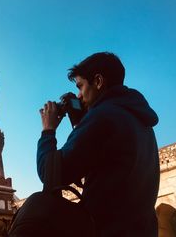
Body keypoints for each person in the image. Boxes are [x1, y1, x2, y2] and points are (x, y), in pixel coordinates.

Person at [37, 52, 160, 237]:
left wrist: (48, 131)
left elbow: (49, 172)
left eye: (81, 86)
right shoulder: (139, 119)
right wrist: (82, 122)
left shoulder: (103, 116)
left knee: (33, 212)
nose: (79, 95)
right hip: (141, 229)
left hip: (105, 229)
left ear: (98, 81)